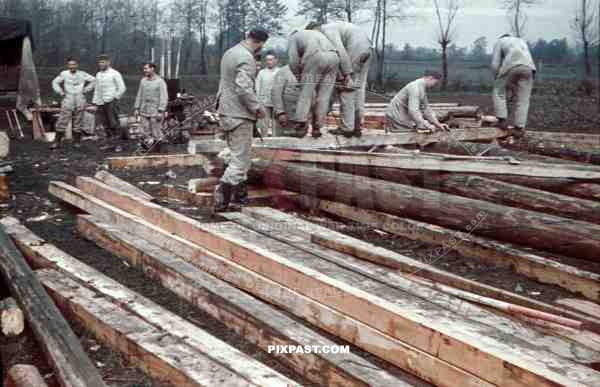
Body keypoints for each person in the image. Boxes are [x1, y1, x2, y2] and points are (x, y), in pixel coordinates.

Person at [213, 27, 269, 212]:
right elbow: (243, 87)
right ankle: (222, 198)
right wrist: (257, 108)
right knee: (240, 160)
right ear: (260, 42)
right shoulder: (247, 58)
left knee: (236, 154)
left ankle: (240, 196)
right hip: (239, 114)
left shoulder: (230, 52)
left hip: (226, 111)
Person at [310, 21, 372, 138]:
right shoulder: (335, 27)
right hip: (367, 48)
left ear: (314, 30)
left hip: (355, 48)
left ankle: (347, 128)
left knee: (346, 87)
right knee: (359, 88)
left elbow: (340, 51)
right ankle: (357, 126)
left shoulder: (327, 30)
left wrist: (346, 74)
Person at [288, 29, 340, 138]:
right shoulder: (316, 34)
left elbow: (293, 60)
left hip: (316, 55)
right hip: (334, 57)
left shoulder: (293, 37)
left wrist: (299, 77)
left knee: (305, 93)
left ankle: (300, 125)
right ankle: (317, 127)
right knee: (324, 95)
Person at [491, 34, 536, 138]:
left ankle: (501, 121)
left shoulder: (500, 41)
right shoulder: (521, 41)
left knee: (498, 91)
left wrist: (496, 78)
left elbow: (495, 63)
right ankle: (519, 128)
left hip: (511, 65)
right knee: (523, 99)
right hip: (529, 68)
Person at [385, 73, 449, 133]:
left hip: (402, 117)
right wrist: (426, 124)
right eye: (435, 82)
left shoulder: (422, 88)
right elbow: (413, 111)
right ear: (430, 78)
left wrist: (438, 125)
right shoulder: (415, 88)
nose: (435, 85)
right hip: (395, 117)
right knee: (404, 140)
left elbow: (426, 109)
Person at [51, 57, 95, 144]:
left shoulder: (82, 74)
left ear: (77, 65)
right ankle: (57, 141)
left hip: (79, 97)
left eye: (74, 64)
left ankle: (77, 142)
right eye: (70, 64)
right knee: (63, 119)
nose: (72, 66)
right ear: (68, 65)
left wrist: (86, 89)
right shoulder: (64, 74)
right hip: (68, 97)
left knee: (78, 119)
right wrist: (60, 92)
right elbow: (55, 82)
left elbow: (94, 80)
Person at [133, 63, 168, 150]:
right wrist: (136, 108)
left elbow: (164, 97)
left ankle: (159, 149)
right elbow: (139, 94)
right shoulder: (143, 81)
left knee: (156, 130)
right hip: (144, 109)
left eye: (146, 68)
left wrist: (161, 111)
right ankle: (146, 148)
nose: (144, 70)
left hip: (155, 110)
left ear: (152, 69)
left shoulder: (160, 81)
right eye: (144, 69)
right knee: (144, 130)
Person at [92, 54, 126, 139]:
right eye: (99, 62)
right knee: (104, 122)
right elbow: (97, 89)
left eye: (103, 62)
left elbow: (122, 88)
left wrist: (114, 98)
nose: (101, 64)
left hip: (111, 101)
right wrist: (95, 102)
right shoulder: (98, 74)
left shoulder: (114, 73)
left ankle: (118, 141)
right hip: (101, 102)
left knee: (113, 122)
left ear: (108, 62)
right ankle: (109, 140)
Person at [271, 64, 306, 137]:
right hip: (285, 118)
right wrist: (280, 112)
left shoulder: (309, 71)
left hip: (300, 120)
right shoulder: (283, 72)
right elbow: (276, 93)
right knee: (281, 142)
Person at [255, 53, 279, 135]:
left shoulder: (280, 72)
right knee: (264, 123)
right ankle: (264, 139)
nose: (269, 62)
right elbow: (257, 87)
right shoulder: (261, 73)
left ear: (276, 60)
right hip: (264, 101)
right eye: (267, 60)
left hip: (277, 102)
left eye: (271, 59)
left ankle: (276, 139)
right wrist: (259, 101)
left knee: (276, 123)